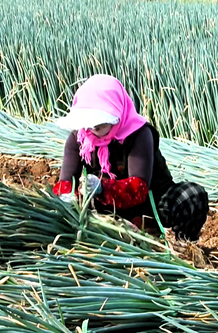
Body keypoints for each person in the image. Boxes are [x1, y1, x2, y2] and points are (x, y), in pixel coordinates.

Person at [52, 74, 209, 242]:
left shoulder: (139, 134)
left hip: (150, 206)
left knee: (192, 195)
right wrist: (68, 197)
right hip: (104, 211)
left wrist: (101, 187)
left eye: (100, 125)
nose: (93, 131)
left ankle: (181, 246)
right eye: (89, 126)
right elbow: (65, 184)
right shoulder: (79, 138)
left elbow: (139, 188)